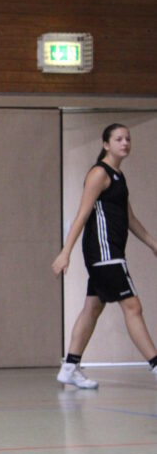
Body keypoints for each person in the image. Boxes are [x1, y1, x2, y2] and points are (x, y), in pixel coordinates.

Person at [52, 123, 157, 388]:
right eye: (119, 139)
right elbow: (82, 215)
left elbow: (130, 218)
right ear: (106, 144)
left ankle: (69, 367)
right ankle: (156, 363)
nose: (125, 143)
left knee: (93, 308)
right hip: (104, 251)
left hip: (112, 251)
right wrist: (65, 252)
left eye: (128, 139)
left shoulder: (119, 176)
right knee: (133, 307)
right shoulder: (99, 174)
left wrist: (153, 244)